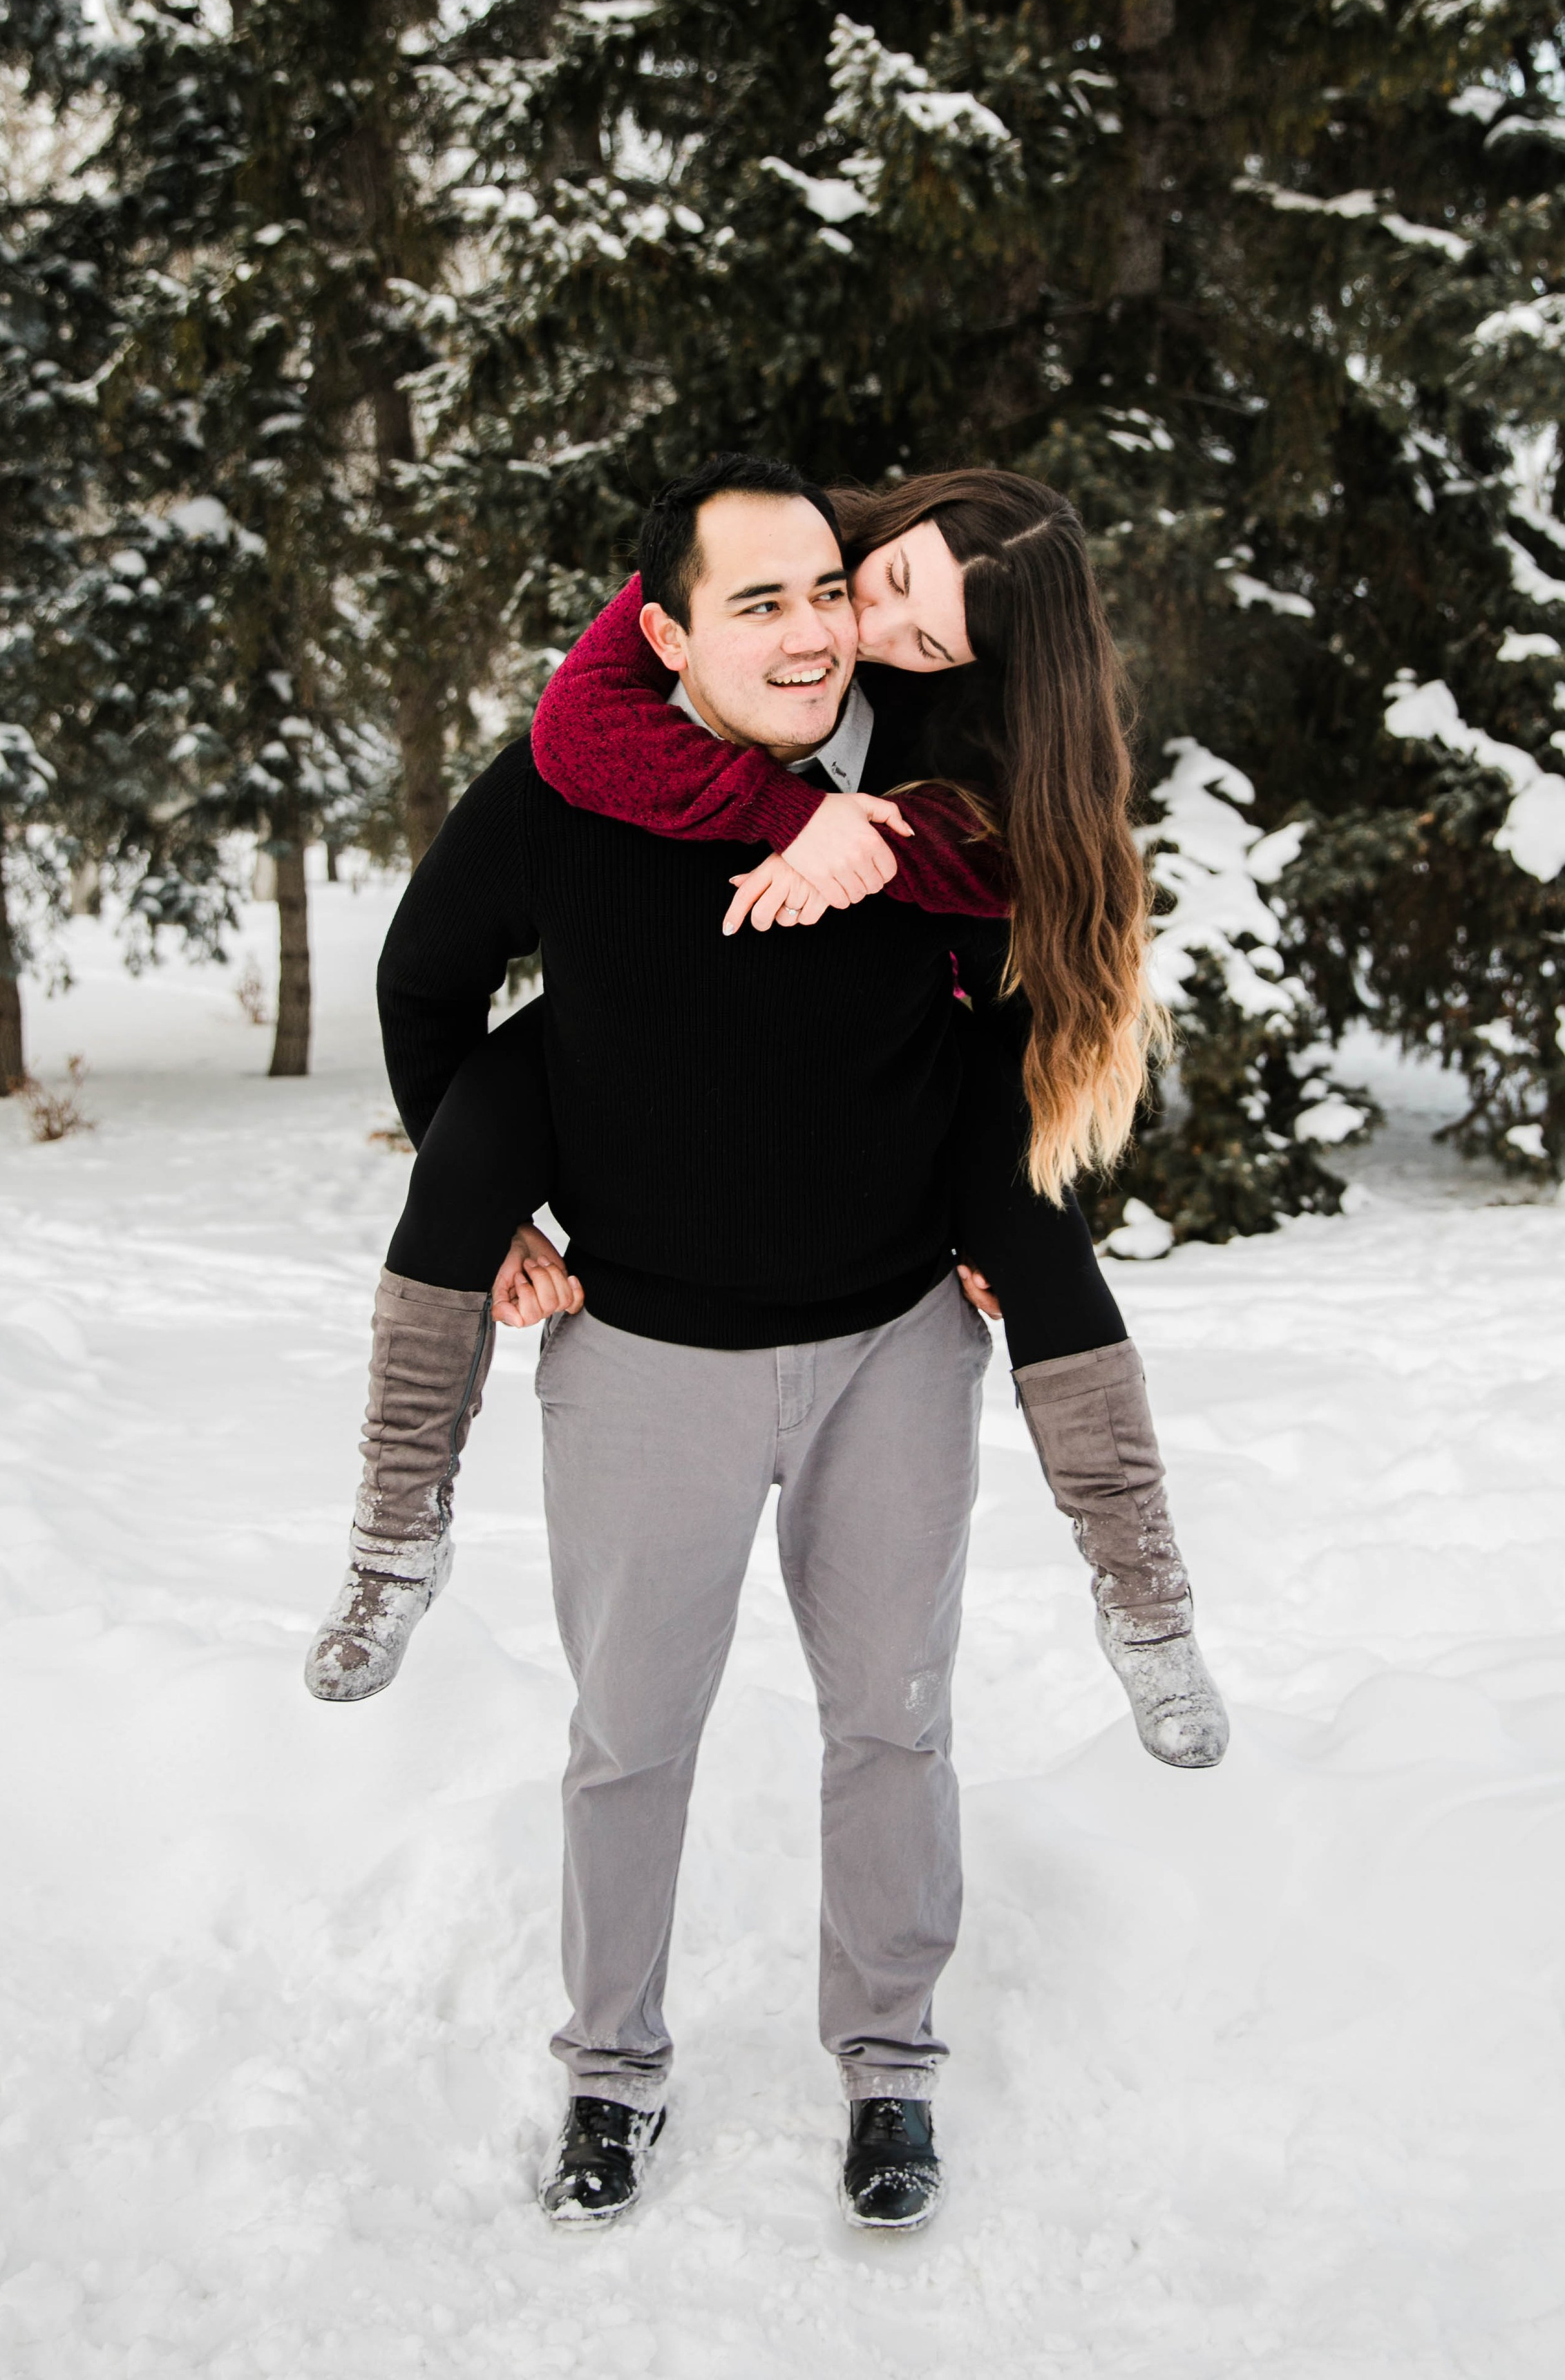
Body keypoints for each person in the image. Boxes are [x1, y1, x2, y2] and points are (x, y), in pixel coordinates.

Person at [313, 454, 1044, 2234]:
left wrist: (1003, 1212)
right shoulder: (573, 782)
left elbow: (1027, 989)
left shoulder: (932, 781)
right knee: (632, 1733)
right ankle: (609, 2071)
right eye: (757, 603)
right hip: (643, 1355)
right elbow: (425, 978)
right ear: (664, 633)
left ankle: (888, 2067)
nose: (812, 635)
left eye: (826, 592)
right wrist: (486, 1208)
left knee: (891, 1722)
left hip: (893, 1344)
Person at [308, 467, 1228, 1767]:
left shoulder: (934, 710)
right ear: (888, 527)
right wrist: (797, 819)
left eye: (928, 641)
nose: (867, 636)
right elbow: (574, 737)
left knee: (1032, 1220)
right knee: (469, 1146)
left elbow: (1023, 908)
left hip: (913, 1085)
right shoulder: (751, 572)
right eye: (889, 587)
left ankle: (1147, 1601)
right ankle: (394, 1536)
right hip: (622, 1077)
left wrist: (890, 842)